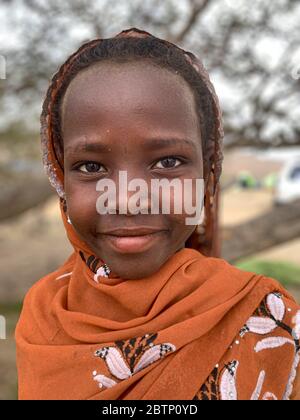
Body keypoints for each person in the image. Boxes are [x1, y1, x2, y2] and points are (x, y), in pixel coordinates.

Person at [15, 27, 300, 400]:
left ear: (207, 168)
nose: (129, 199)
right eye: (90, 167)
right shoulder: (43, 316)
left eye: (168, 161)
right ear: (59, 175)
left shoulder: (268, 320)